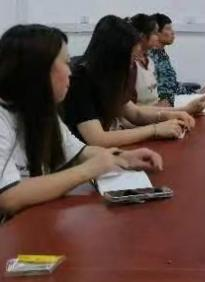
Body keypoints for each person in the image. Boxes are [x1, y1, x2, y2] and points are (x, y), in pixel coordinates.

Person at [0, 24, 162, 218]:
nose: (70, 71)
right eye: (65, 63)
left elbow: (77, 153)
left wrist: (123, 158)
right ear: (38, 71)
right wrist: (88, 170)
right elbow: (8, 197)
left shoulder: (41, 109)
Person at [63, 15, 205, 147]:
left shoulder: (110, 77)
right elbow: (98, 139)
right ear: (115, 56)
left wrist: (173, 114)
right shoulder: (79, 80)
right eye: (131, 58)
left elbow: (135, 113)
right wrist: (155, 130)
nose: (133, 64)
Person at [149, 13, 198, 106]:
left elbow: (171, 84)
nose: (172, 32)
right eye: (168, 29)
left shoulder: (162, 54)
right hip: (163, 104)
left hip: (173, 98)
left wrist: (190, 93)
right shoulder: (150, 57)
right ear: (156, 32)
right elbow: (158, 90)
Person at [129, 14, 161, 106]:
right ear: (142, 36)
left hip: (156, 109)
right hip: (142, 113)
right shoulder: (130, 65)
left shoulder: (150, 61)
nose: (158, 37)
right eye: (155, 33)